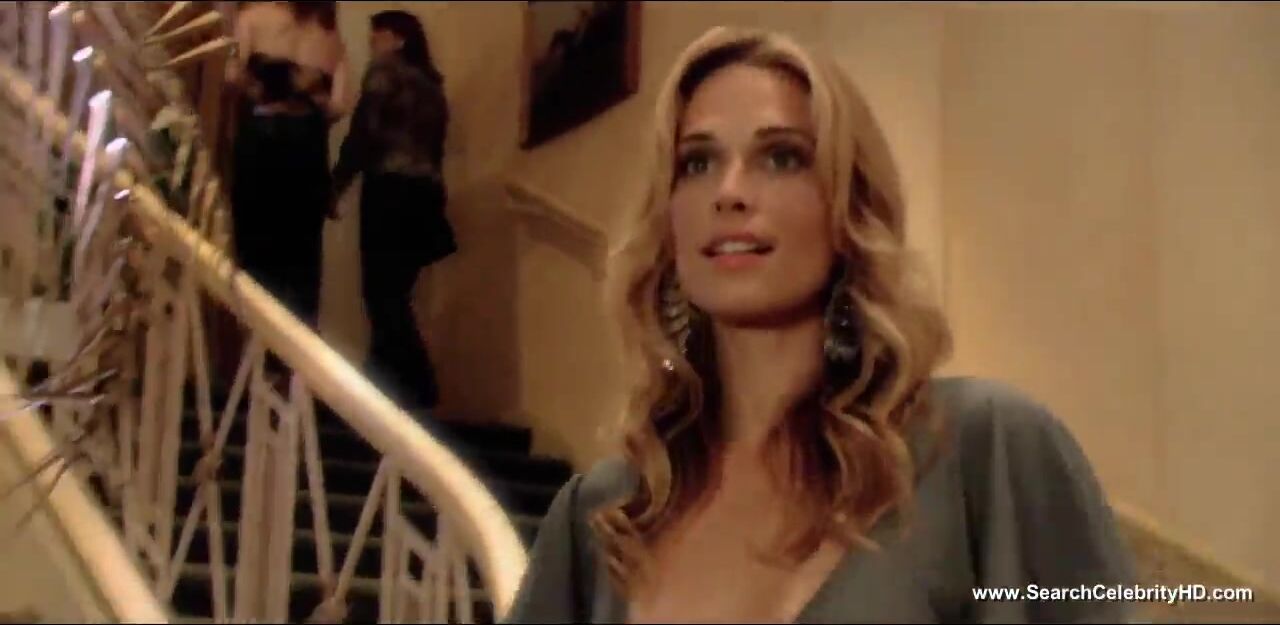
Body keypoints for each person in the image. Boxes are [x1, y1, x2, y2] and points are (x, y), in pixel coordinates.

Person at [505, 27, 1137, 623]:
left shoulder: (981, 448)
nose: (729, 191)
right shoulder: (606, 514)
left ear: (848, 207)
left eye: (782, 157)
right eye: (697, 163)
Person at [330, 10, 455, 413]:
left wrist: (336, 184)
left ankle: (418, 385)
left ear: (399, 39)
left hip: (390, 190)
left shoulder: (385, 73)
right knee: (395, 292)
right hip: (424, 195)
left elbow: (364, 133)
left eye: (377, 36)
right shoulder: (432, 88)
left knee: (381, 292)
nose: (372, 44)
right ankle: (383, 385)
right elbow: (435, 151)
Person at [226, 1, 351, 329]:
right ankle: (295, 347)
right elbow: (338, 106)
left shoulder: (253, 18)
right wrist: (307, 93)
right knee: (303, 255)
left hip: (263, 140)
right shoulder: (331, 36)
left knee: (257, 248)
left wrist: (264, 88)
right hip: (307, 145)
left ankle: (260, 339)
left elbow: (233, 75)